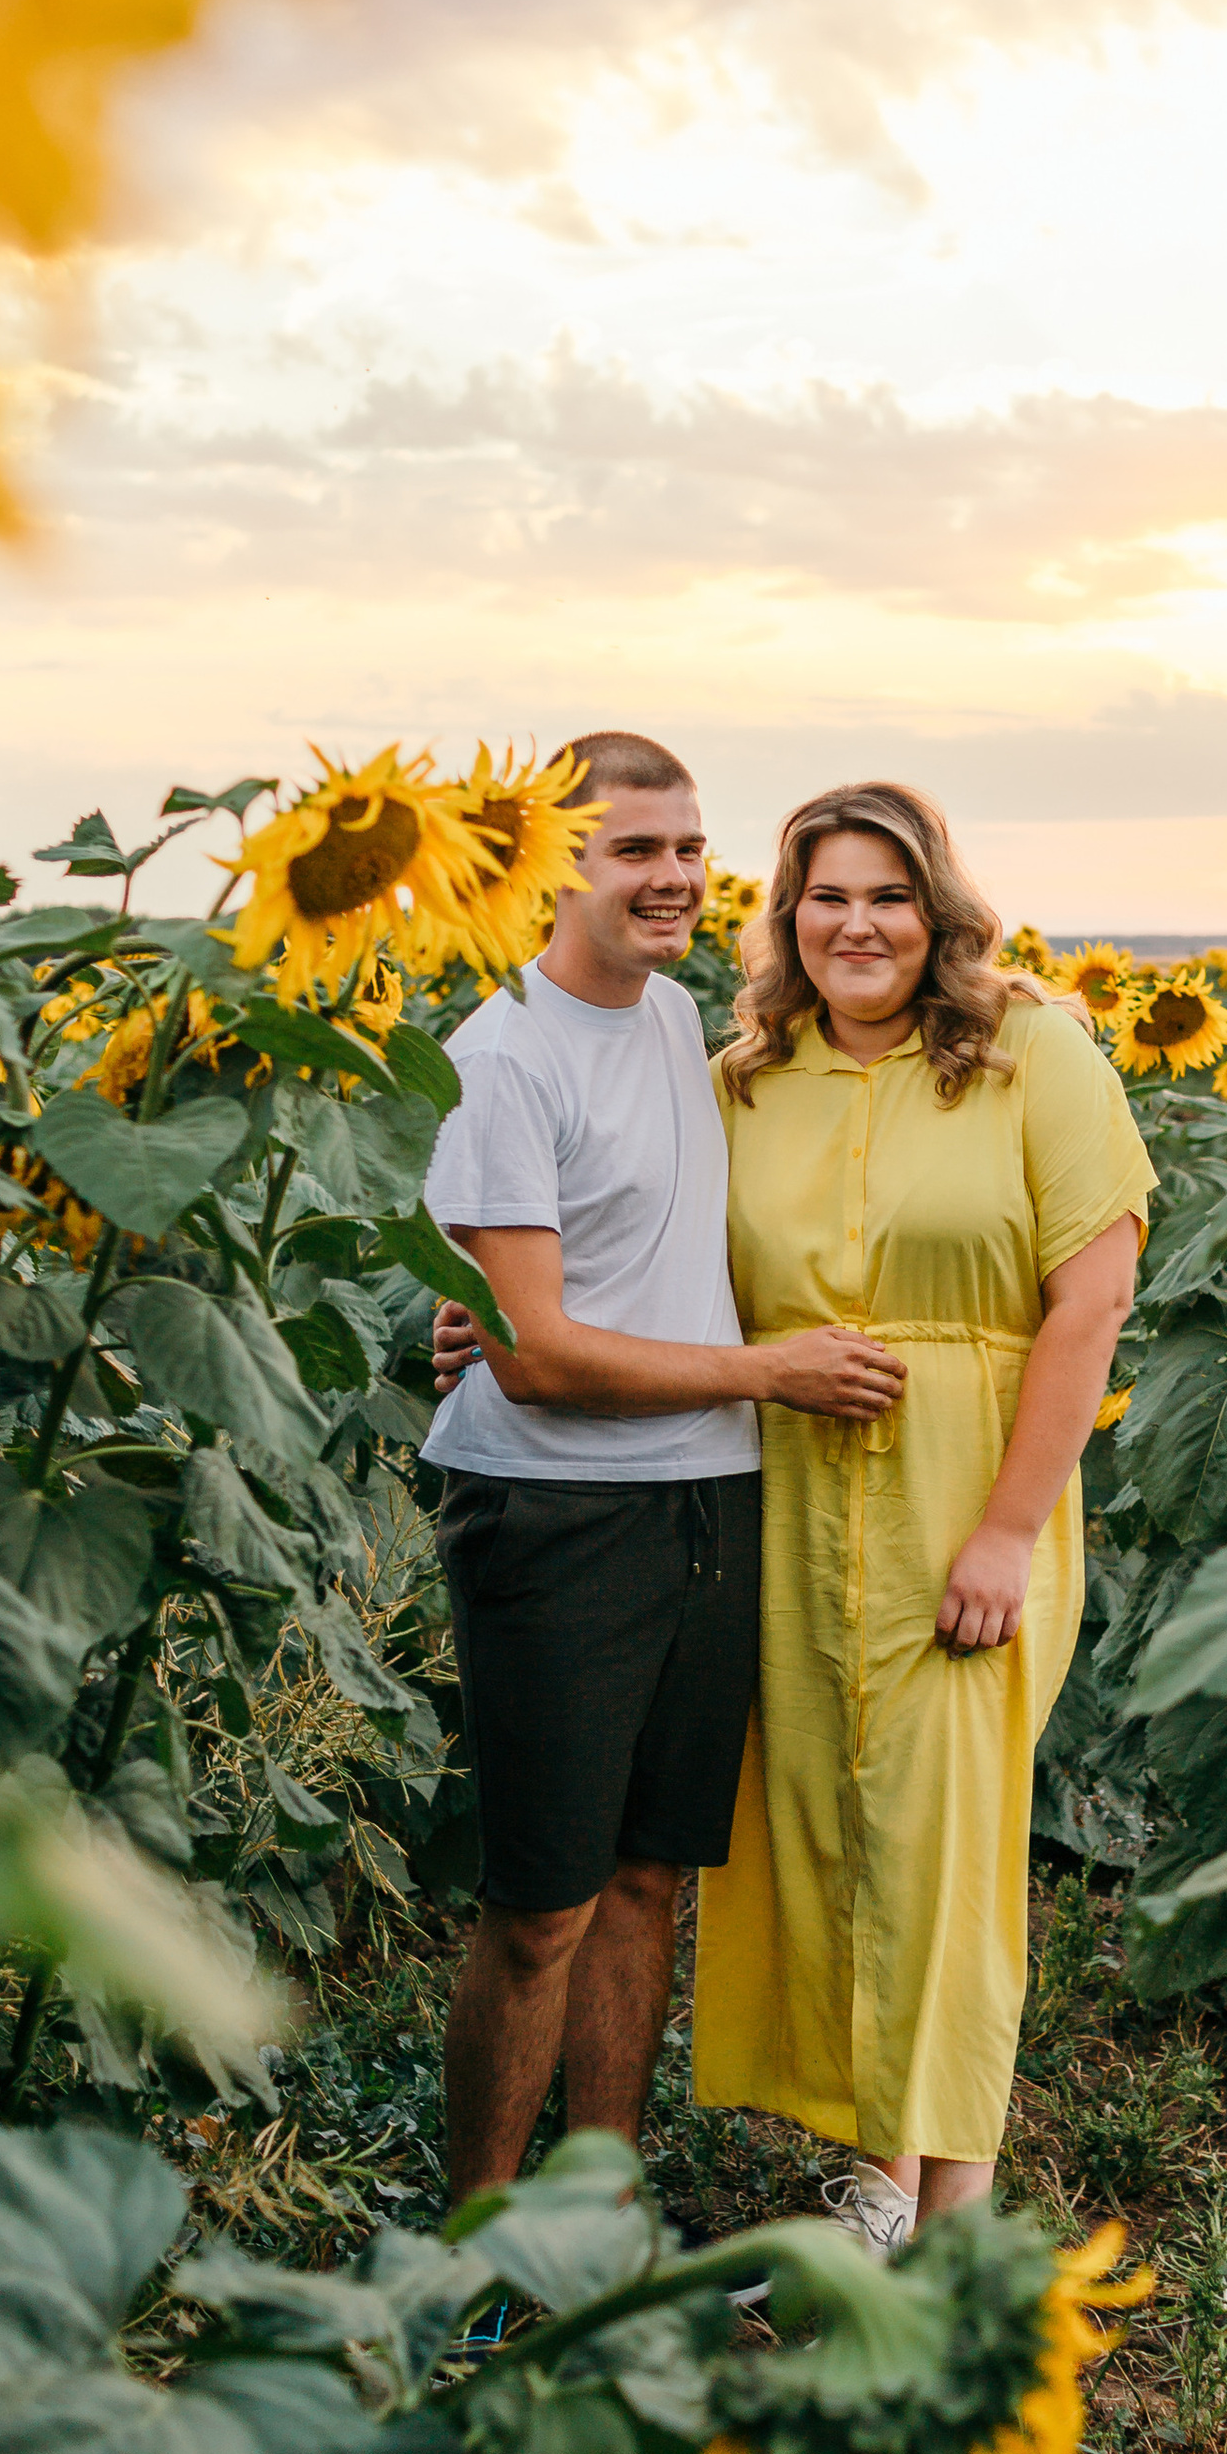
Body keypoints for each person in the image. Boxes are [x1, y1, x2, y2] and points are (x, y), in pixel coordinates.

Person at [417, 731, 903, 2203]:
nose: (676, 876)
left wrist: (491, 1314)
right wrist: (771, 1373)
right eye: (636, 849)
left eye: (689, 846)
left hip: (707, 1497)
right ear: (553, 867)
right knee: (542, 1909)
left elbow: (592, 1273)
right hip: (556, 1512)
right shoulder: (502, 1057)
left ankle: (598, 2217)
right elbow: (539, 1360)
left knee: (646, 1878)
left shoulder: (677, 1019)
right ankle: (479, 2252)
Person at [691, 782, 1153, 2249]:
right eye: (826, 896)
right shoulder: (744, 1079)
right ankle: (882, 2179)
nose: (858, 925)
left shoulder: (1032, 1054)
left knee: (945, 1841)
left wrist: (1008, 1530)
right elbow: (652, 1258)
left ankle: (956, 2220)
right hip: (788, 1498)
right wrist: (497, 1325)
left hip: (968, 1493)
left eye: (888, 895)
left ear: (938, 910)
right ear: (787, 920)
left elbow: (1092, 1302)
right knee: (830, 1828)